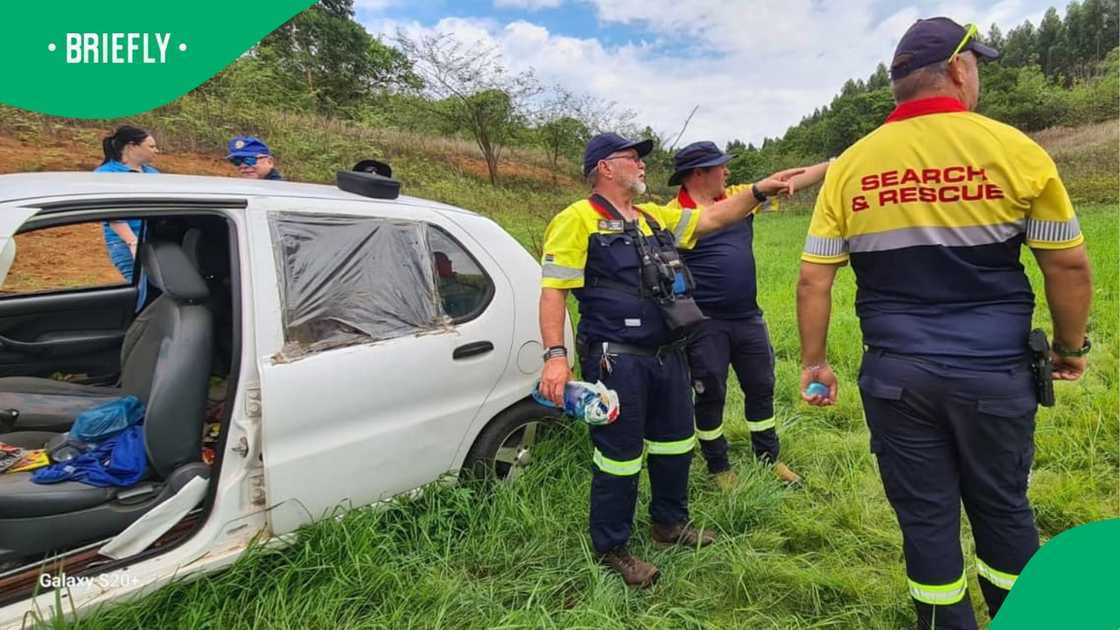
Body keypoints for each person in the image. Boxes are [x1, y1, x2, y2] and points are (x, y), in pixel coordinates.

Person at [796, 17, 1092, 630]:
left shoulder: (852, 165)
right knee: (1005, 510)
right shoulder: (1014, 150)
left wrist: (814, 361)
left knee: (926, 520)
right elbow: (1066, 263)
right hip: (994, 374)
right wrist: (1068, 346)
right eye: (977, 65)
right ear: (959, 70)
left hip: (896, 377)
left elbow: (813, 278)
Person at [538, 132, 800, 587]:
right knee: (619, 457)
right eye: (632, 158)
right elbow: (553, 292)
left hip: (669, 354)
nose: (641, 165)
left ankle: (669, 524)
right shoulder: (576, 219)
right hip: (615, 360)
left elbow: (715, 217)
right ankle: (612, 547)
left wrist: (759, 191)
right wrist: (555, 357)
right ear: (604, 167)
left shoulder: (652, 217)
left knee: (675, 443)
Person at [669, 141, 829, 489]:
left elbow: (795, 179)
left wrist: (835, 162)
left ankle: (769, 458)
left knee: (762, 385)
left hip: (748, 318)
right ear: (698, 173)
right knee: (710, 392)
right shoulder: (673, 213)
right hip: (703, 322)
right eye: (720, 167)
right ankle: (718, 466)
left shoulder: (741, 197)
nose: (727, 171)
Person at [95, 125, 159, 306]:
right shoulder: (106, 174)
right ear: (132, 146)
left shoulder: (152, 174)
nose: (156, 151)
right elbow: (112, 213)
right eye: (151, 146)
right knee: (143, 294)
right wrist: (132, 242)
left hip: (153, 242)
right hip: (126, 244)